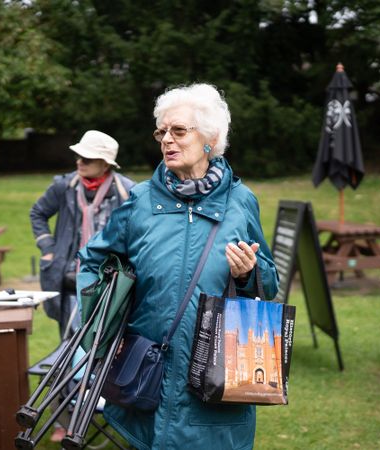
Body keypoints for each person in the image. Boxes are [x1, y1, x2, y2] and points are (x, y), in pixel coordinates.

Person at [77, 83, 279, 449]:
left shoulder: (240, 201)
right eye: (162, 131)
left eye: (179, 130)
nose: (167, 139)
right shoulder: (141, 200)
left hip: (216, 379)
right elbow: (94, 260)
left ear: (209, 138)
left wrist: (249, 273)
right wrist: (104, 328)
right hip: (147, 376)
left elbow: (270, 282)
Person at [30, 130, 135, 338]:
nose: (80, 162)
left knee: (107, 342)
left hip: (109, 280)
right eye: (79, 156)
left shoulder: (128, 191)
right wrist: (48, 249)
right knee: (69, 343)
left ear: (105, 164)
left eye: (87, 159)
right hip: (68, 277)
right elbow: (38, 213)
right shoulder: (63, 186)